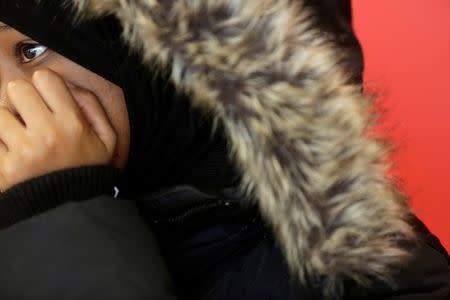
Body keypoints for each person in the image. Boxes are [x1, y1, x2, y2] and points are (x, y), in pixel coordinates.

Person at [0, 0, 448, 299]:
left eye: (31, 50)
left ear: (162, 61)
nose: (6, 101)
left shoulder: (371, 274)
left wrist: (61, 216)